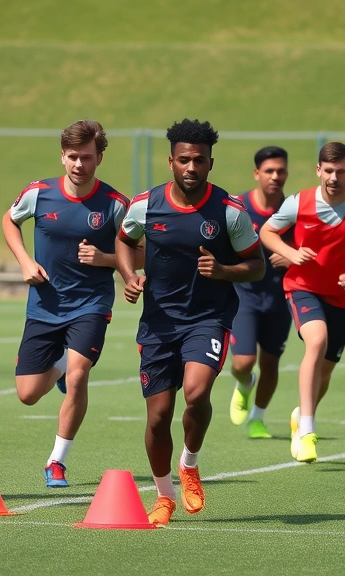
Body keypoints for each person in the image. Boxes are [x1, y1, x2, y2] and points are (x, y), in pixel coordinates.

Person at [116, 119, 264, 526]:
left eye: (199, 160)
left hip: (208, 319)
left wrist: (223, 270)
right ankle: (164, 496)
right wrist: (129, 275)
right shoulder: (146, 205)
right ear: (171, 162)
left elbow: (256, 265)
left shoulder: (230, 211)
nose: (191, 167)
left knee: (197, 393)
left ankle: (190, 464)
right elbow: (125, 241)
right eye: (184, 160)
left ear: (210, 163)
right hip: (158, 324)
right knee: (158, 416)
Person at [2, 120, 133, 488]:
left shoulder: (115, 204)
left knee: (78, 376)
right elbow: (9, 221)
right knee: (27, 394)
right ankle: (60, 364)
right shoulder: (38, 193)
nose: (79, 164)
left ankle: (56, 462)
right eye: (73, 157)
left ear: (99, 158)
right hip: (44, 304)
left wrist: (106, 259)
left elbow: (141, 253)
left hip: (91, 303)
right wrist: (25, 262)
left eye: (87, 157)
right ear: (62, 156)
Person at [259, 142, 345, 463]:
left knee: (326, 372)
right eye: (329, 170)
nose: (334, 177)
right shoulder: (298, 202)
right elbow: (267, 231)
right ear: (318, 170)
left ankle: (301, 415)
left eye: (341, 171)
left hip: (344, 297)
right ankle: (307, 430)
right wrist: (291, 254)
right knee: (316, 341)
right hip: (303, 288)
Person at [228, 146, 293, 439]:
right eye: (269, 171)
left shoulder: (293, 210)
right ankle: (244, 383)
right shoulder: (238, 207)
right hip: (244, 296)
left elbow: (309, 248)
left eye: (280, 171)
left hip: (280, 298)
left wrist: (292, 257)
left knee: (271, 362)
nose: (275, 176)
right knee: (243, 362)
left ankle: (257, 418)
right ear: (257, 173)